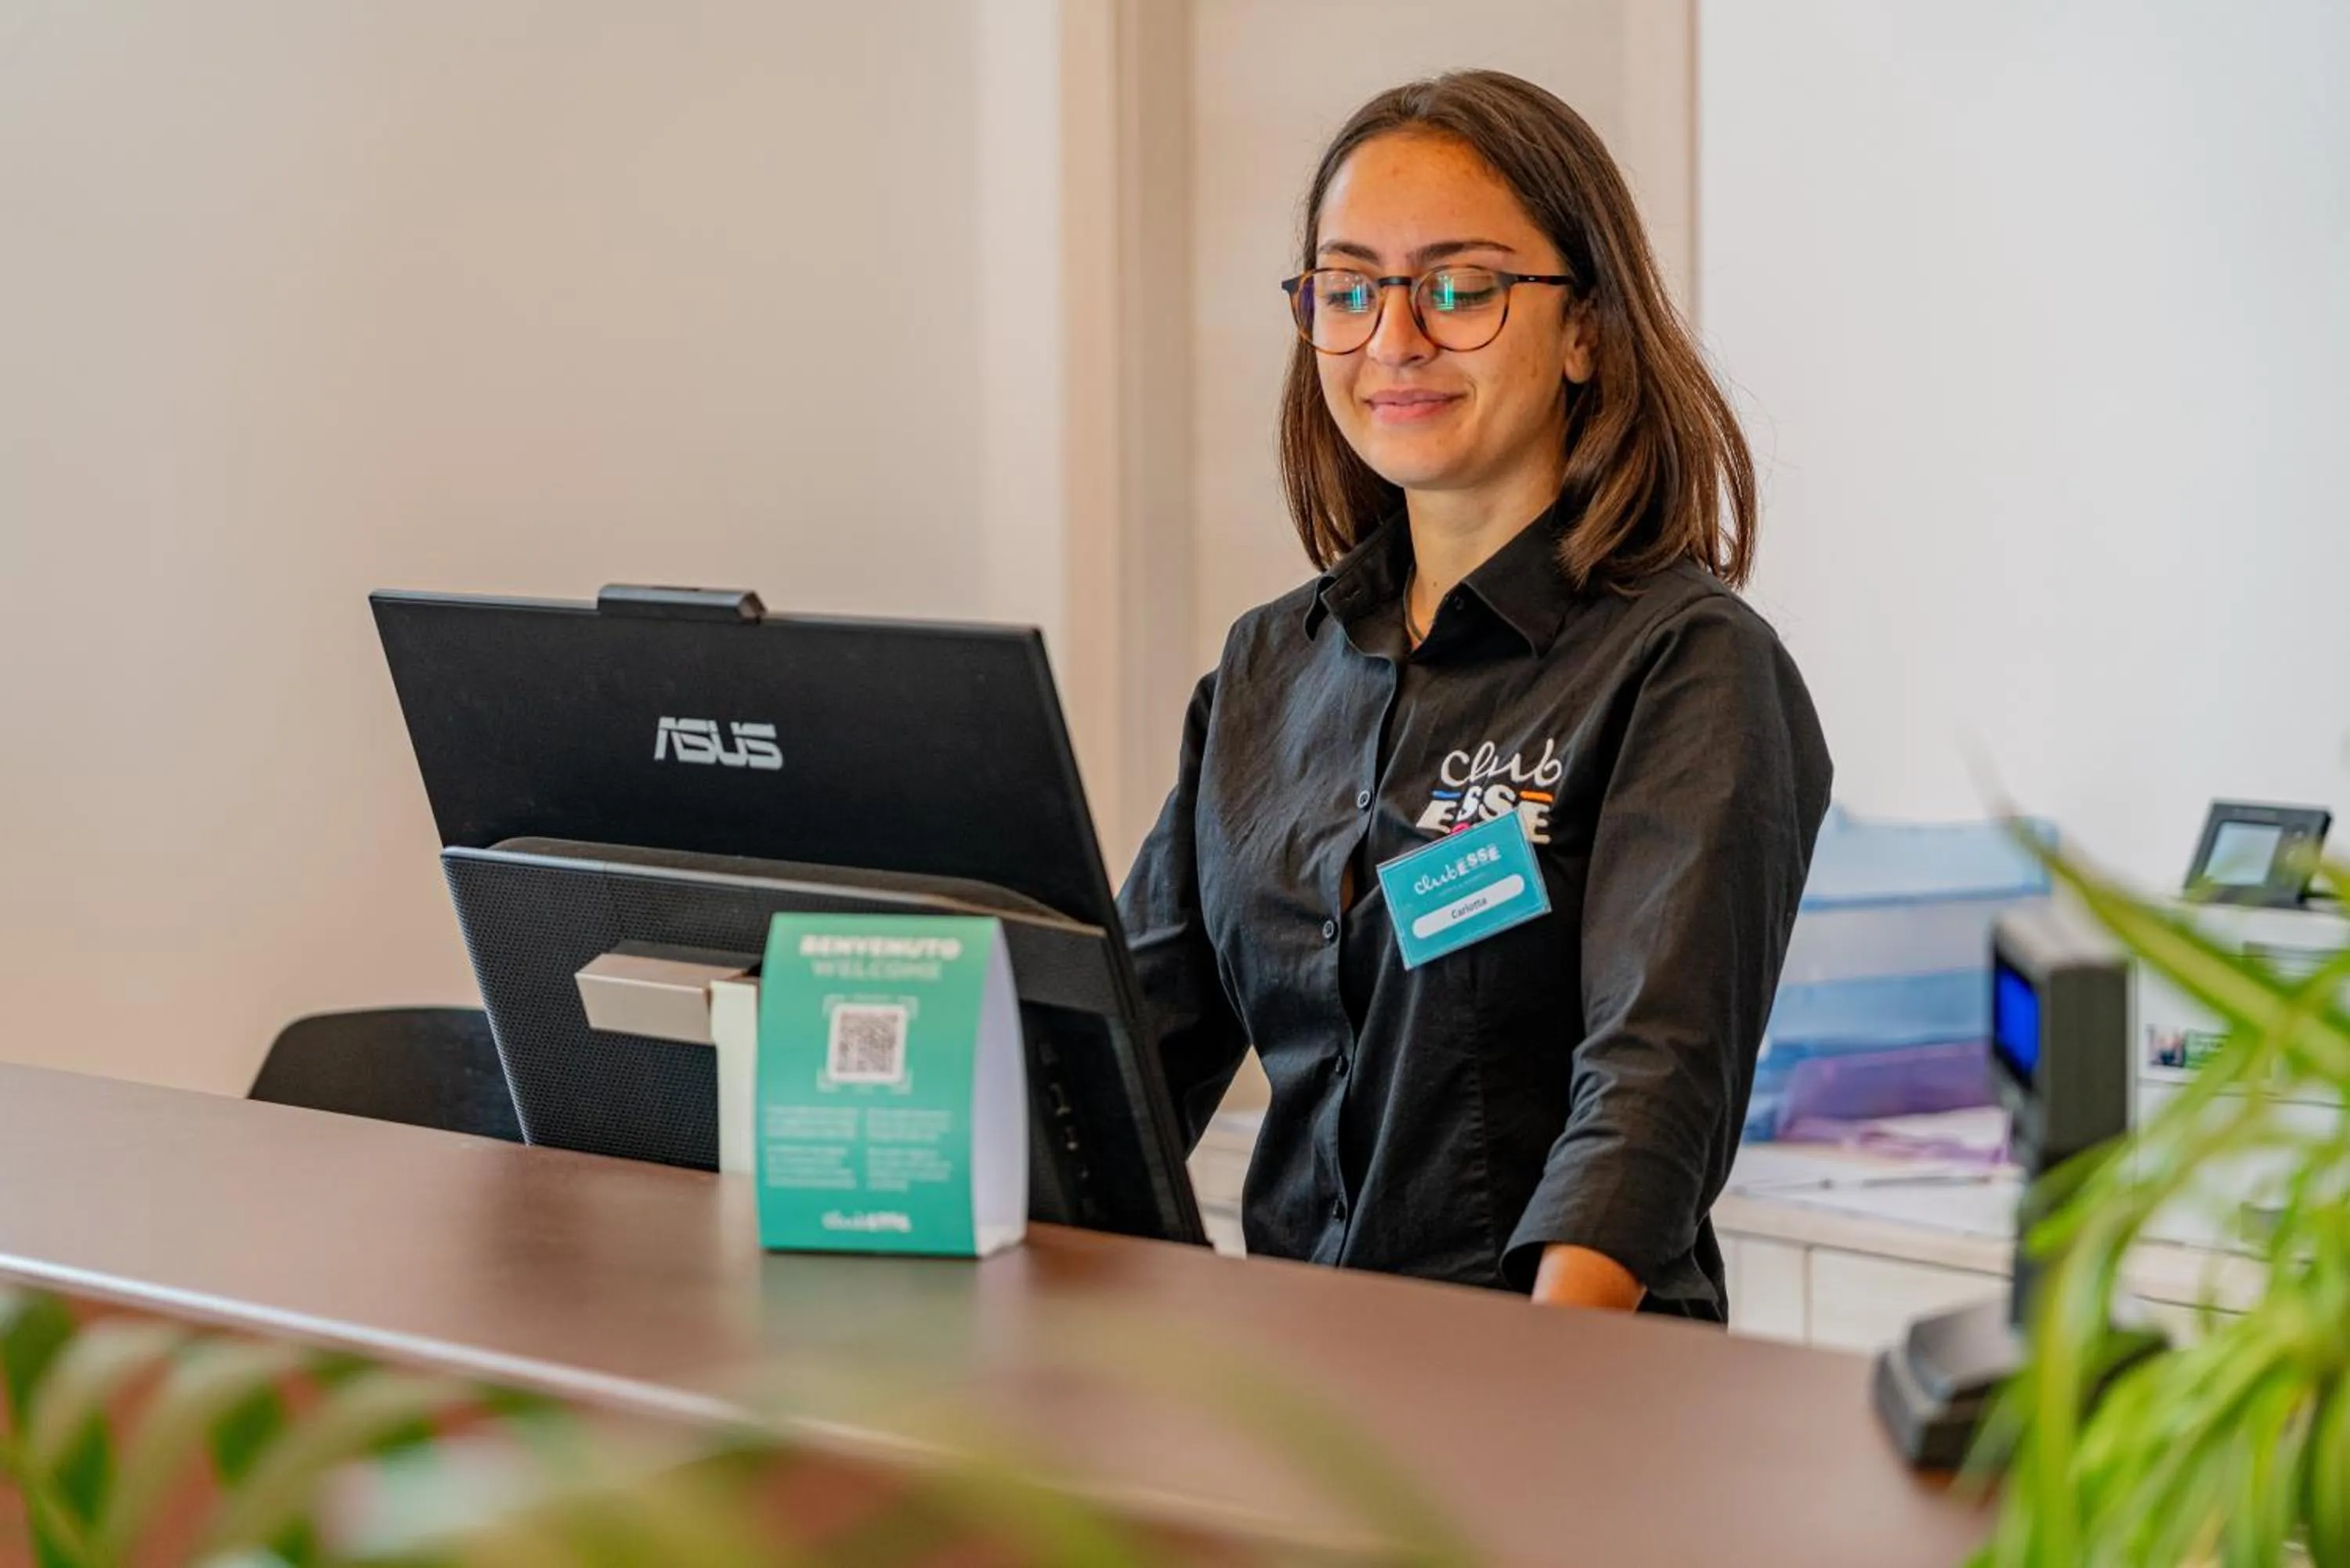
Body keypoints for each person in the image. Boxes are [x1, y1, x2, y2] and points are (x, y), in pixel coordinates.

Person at [1119, 70, 1833, 1319]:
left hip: (1556, 1388)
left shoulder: (1689, 666)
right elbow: (1125, 1057)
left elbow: (1646, 1103)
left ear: (1586, 329)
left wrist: (1525, 1398)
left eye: (1459, 289)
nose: (1395, 338)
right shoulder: (1268, 668)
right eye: (1349, 290)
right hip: (1300, 1380)